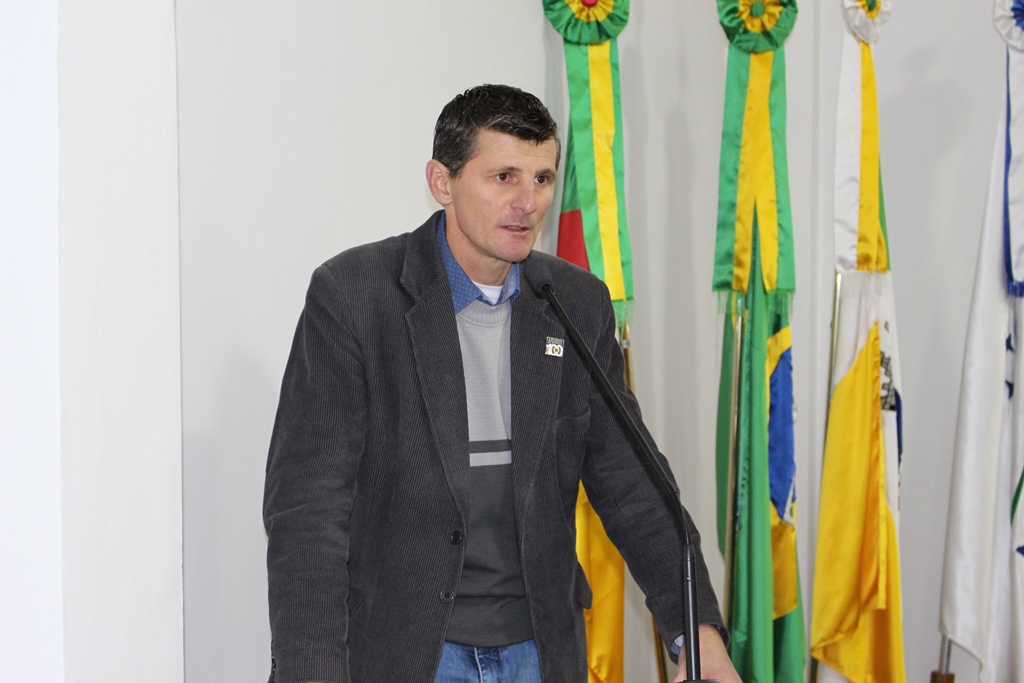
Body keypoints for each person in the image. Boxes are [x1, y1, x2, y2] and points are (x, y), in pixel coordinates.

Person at [263, 84, 741, 683]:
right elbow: (308, 510)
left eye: (542, 179)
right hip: (406, 652)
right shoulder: (356, 297)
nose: (528, 203)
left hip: (538, 651)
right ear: (442, 183)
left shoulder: (574, 303)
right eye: (504, 177)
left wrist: (697, 632)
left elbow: (634, 484)